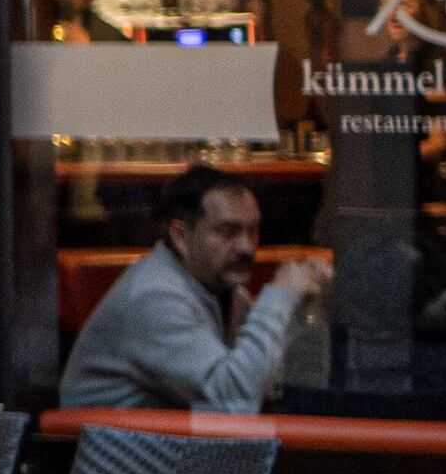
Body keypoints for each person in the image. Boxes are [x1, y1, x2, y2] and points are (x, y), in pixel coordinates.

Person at [58, 160, 327, 413]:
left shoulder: (226, 293)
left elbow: (269, 386)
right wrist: (280, 296)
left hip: (167, 451)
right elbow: (234, 401)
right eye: (227, 231)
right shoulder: (155, 299)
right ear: (181, 236)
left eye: (253, 230)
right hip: (115, 458)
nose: (247, 247)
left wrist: (305, 312)